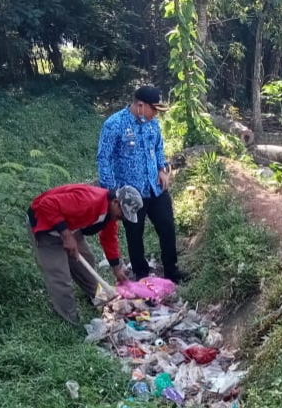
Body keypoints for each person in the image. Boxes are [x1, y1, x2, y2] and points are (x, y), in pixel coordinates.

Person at [97, 86, 187, 283]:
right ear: (140, 105)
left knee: (167, 227)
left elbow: (158, 147)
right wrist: (112, 192)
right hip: (129, 192)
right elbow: (104, 159)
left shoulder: (152, 124)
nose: (155, 114)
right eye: (153, 109)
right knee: (134, 234)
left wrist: (163, 169)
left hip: (155, 187)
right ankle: (142, 274)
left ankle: (171, 270)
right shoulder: (114, 124)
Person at [28, 184, 143, 324]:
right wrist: (66, 235)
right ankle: (70, 320)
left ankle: (99, 298)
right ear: (115, 202)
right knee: (61, 277)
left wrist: (116, 269)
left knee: (87, 260)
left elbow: (109, 238)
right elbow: (47, 204)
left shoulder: (109, 214)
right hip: (46, 226)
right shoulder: (89, 201)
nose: (121, 218)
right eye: (122, 214)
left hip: (71, 226)